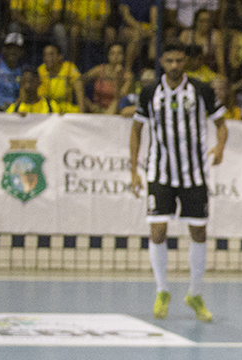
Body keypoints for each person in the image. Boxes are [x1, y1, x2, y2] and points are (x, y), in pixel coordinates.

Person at [130, 42, 228, 322]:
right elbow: (136, 129)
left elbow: (222, 125)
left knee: (198, 233)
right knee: (157, 231)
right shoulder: (150, 92)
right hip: (159, 173)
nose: (174, 66)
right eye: (170, 60)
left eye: (179, 61)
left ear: (185, 61)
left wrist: (220, 147)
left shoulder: (201, 90)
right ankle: (162, 290)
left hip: (193, 174)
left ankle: (194, 294)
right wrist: (133, 169)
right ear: (161, 60)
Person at [82, 41, 132, 113]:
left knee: (116, 102)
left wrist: (116, 77)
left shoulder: (127, 76)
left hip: (116, 110)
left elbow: (119, 97)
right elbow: (79, 82)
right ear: (108, 56)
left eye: (119, 53)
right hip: (97, 108)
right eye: (113, 53)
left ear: (123, 56)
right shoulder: (99, 70)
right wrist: (90, 105)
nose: (116, 57)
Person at [37, 42, 83, 112]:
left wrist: (81, 111)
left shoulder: (68, 68)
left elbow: (79, 87)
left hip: (66, 111)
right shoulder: (41, 70)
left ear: (60, 56)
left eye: (51, 54)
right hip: (47, 111)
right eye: (45, 55)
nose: (47, 58)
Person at [179, 7, 225, 78]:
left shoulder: (215, 36)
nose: (205, 24)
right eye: (201, 21)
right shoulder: (186, 35)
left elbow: (221, 62)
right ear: (196, 21)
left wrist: (221, 77)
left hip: (208, 76)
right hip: (188, 74)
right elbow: (179, 57)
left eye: (207, 21)